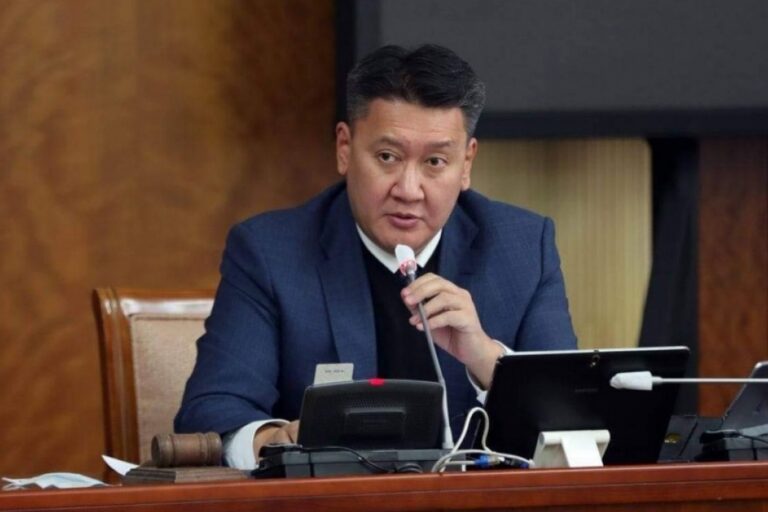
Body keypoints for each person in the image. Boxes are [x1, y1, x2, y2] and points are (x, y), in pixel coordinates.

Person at [175, 44, 577, 469]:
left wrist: (484, 358)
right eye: (387, 157)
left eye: (435, 162)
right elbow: (211, 412)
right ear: (345, 148)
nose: (408, 189)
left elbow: (576, 421)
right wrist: (273, 441)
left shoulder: (523, 248)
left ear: (466, 164)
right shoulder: (270, 253)